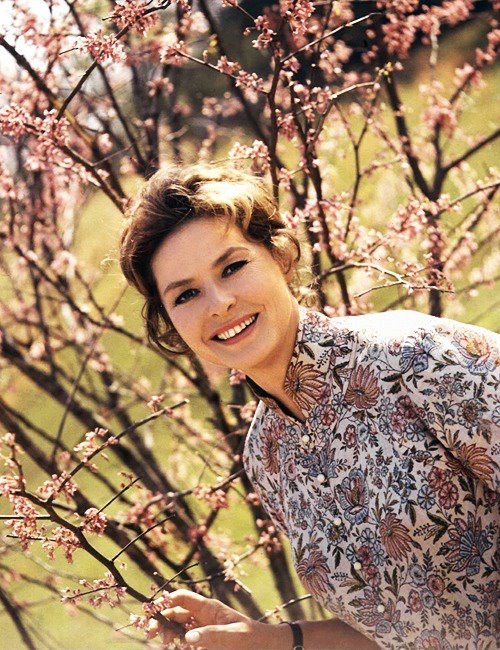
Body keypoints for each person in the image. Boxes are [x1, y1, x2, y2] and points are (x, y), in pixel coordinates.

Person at [119, 164, 499, 650]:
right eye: (187, 294)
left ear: (278, 255)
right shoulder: (267, 457)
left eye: (232, 267)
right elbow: (400, 630)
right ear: (170, 323)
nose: (219, 302)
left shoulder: (414, 358)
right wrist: (272, 639)